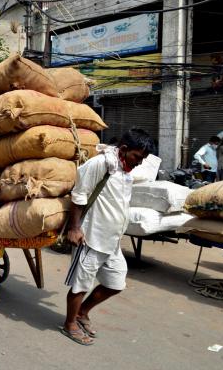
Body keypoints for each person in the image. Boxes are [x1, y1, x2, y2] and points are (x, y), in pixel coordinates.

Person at [61, 129, 154, 346]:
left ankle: (83, 312)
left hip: (112, 240)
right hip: (90, 237)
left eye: (143, 159)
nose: (139, 163)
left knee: (116, 283)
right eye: (137, 157)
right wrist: (74, 228)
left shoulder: (125, 170)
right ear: (123, 149)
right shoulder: (100, 164)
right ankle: (69, 324)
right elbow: (79, 194)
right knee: (80, 284)